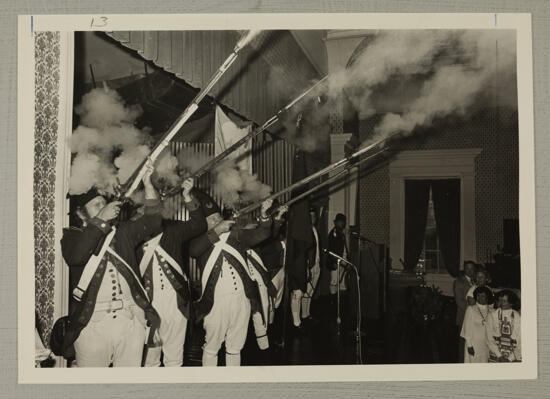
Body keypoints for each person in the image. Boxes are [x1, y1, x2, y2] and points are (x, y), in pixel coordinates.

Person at [60, 159, 162, 367]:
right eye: (97, 205)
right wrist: (101, 220)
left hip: (129, 321)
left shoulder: (122, 231)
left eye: (102, 202)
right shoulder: (71, 236)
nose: (103, 206)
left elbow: (154, 221)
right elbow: (76, 257)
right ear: (81, 213)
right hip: (91, 325)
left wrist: (148, 185)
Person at [189, 193, 275, 367]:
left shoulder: (236, 236)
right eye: (212, 219)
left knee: (235, 347)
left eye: (218, 218)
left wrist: (265, 214)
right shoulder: (200, 241)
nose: (216, 221)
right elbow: (193, 250)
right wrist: (217, 231)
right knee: (212, 347)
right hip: (216, 302)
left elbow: (263, 233)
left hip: (241, 299)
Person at [138, 178, 207, 367]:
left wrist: (187, 196)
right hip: (146, 304)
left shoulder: (173, 231)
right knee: (149, 361)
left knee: (174, 359)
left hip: (175, 301)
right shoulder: (130, 233)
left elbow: (199, 225)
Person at [460, 286, 494, 363]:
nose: (479, 298)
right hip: (473, 344)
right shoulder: (471, 309)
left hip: (486, 344)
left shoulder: (492, 311)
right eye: (478, 295)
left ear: (487, 297)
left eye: (482, 296)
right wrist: (469, 345)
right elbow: (467, 327)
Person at [487, 289, 522, 362]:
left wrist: (510, 358)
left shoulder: (517, 316)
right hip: (496, 354)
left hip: (512, 354)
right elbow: (488, 337)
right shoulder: (492, 315)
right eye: (499, 300)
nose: (500, 303)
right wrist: (499, 355)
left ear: (511, 303)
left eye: (504, 301)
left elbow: (520, 338)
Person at [301, 207, 321, 323]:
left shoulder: (315, 230)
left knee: (311, 292)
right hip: (310, 265)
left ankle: (307, 313)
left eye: (314, 216)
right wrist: (308, 266)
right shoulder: (305, 231)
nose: (313, 218)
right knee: (307, 291)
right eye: (311, 216)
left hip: (317, 264)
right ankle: (304, 315)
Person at [453, 260, 476, 362]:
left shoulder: (477, 280)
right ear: (464, 269)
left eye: (472, 269)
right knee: (463, 342)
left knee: (474, 340)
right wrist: (472, 312)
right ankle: (461, 363)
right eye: (467, 268)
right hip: (464, 316)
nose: (470, 271)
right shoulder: (458, 281)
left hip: (477, 318)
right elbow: (460, 302)